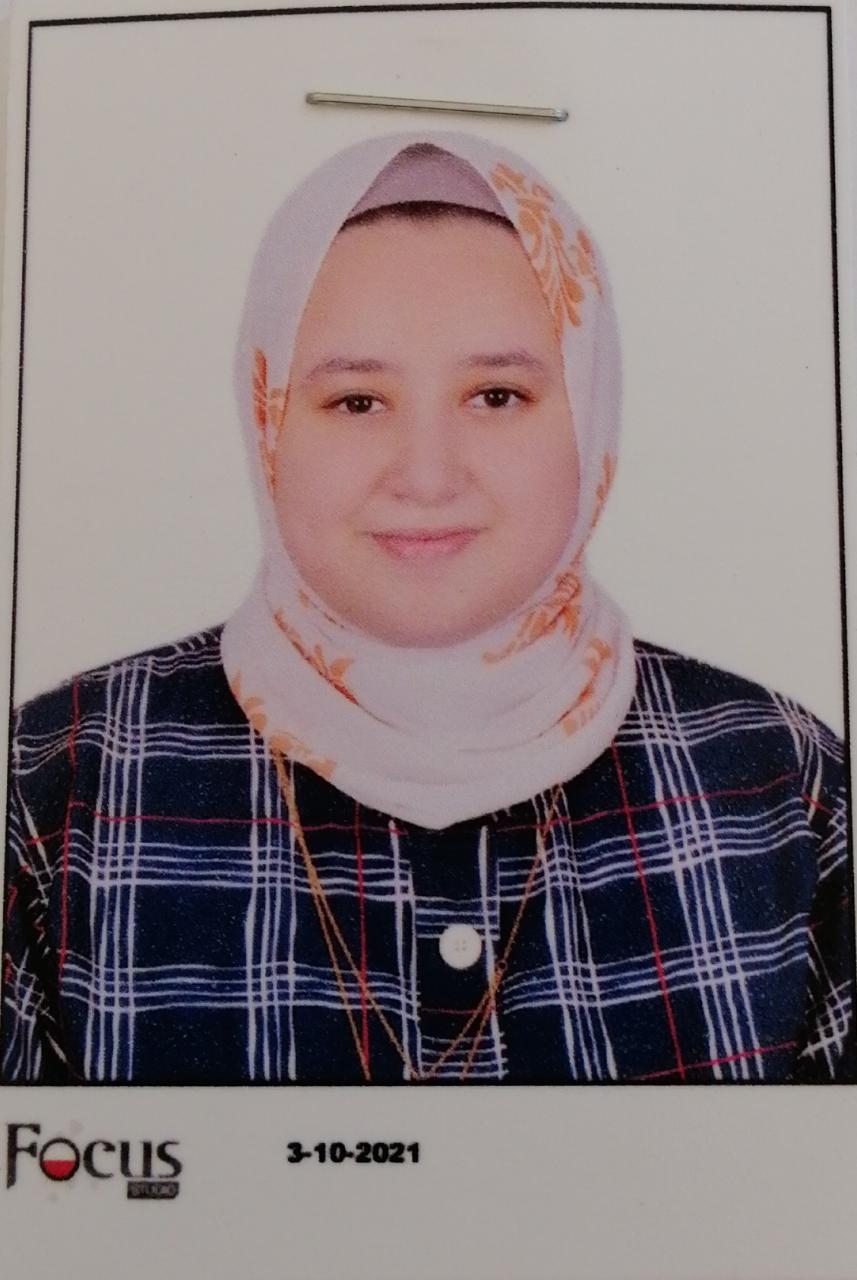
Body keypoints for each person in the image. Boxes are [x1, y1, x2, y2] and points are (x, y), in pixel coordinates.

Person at [2, 132, 852, 1085]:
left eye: (496, 395)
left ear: (590, 406)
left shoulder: (781, 780)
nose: (426, 476)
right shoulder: (54, 786)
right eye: (357, 402)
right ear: (267, 416)